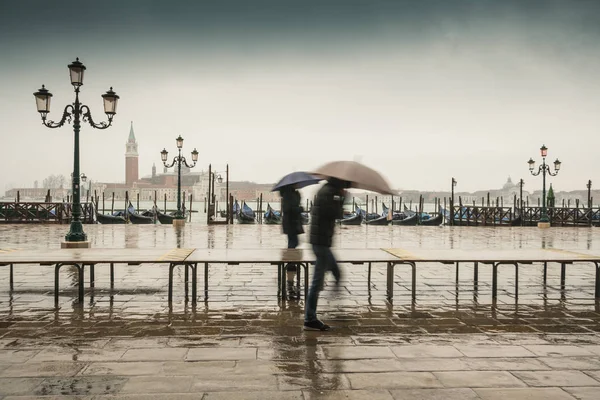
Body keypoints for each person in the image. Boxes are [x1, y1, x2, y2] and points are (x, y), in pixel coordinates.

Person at [304, 178, 348, 331]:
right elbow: (334, 214)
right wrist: (343, 198)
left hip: (320, 240)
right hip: (321, 242)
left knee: (330, 275)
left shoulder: (327, 191)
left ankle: (311, 316)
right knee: (318, 281)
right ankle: (310, 319)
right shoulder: (329, 193)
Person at [281, 186, 304, 298]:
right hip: (291, 223)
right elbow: (288, 209)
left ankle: (291, 262)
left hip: (292, 223)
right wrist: (299, 209)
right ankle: (291, 263)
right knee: (293, 242)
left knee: (294, 242)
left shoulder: (291, 194)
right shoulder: (287, 195)